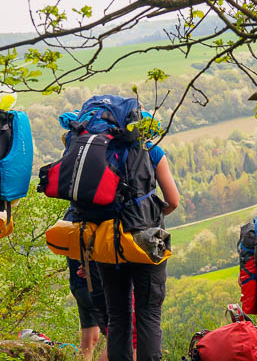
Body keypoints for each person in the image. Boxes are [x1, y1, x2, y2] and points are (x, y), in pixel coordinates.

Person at [96, 140, 179, 361]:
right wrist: (149, 218)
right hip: (147, 241)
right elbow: (173, 201)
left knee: (117, 315)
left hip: (108, 242)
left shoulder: (95, 148)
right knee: (149, 313)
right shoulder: (151, 149)